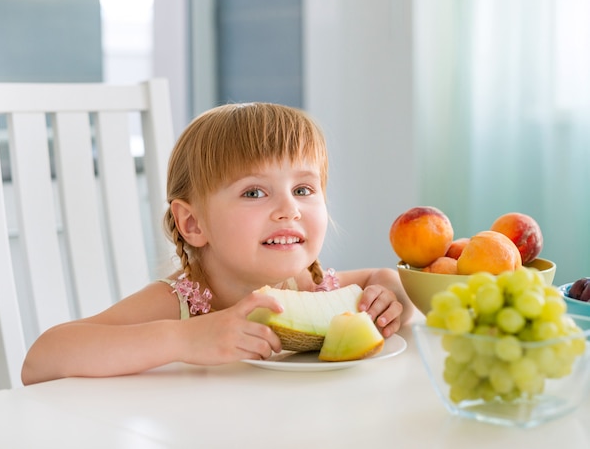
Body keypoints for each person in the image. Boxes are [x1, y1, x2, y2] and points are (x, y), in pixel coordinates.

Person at [21, 102, 414, 385]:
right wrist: (184, 338)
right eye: (255, 193)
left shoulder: (306, 286)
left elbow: (383, 279)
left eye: (303, 188)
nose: (289, 209)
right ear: (192, 223)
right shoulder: (179, 303)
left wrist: (392, 294)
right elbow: (42, 359)